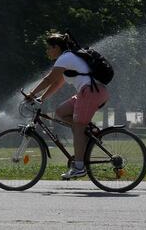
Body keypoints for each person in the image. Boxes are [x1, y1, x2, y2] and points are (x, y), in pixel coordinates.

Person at [25, 33, 109, 179]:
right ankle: (89, 131)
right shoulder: (69, 59)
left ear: (56, 47)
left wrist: (31, 94)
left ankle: (79, 167)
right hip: (91, 92)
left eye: (48, 48)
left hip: (90, 92)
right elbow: (57, 82)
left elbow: (49, 78)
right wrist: (42, 98)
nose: (47, 51)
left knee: (78, 127)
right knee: (60, 112)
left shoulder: (65, 57)